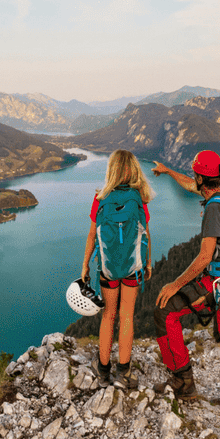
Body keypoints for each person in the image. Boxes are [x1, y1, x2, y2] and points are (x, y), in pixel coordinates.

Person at [149, 150, 220, 409]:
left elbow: (204, 257)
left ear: (201, 177)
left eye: (196, 174)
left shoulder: (214, 209)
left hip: (216, 281)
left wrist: (175, 284)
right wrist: (169, 171)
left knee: (165, 312)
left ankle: (183, 381)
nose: (194, 179)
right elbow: (191, 185)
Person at [80, 150, 152, 389]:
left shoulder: (100, 198)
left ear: (112, 170)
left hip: (107, 269)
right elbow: (145, 233)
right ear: (133, 169)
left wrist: (86, 265)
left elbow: (92, 235)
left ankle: (102, 370)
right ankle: (123, 372)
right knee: (127, 316)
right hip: (132, 268)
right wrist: (148, 263)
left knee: (108, 316)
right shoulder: (137, 198)